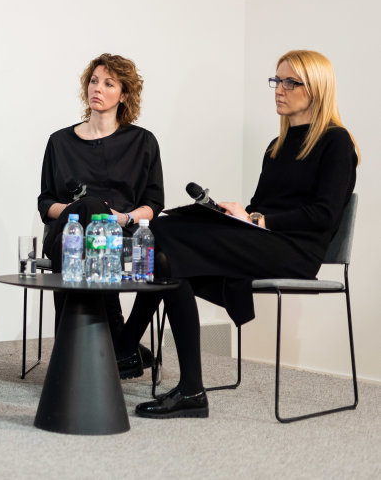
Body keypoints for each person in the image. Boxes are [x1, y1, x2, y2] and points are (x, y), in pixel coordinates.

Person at [119, 50, 359, 418]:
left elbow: (323, 215)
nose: (279, 89)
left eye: (290, 82)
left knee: (167, 237)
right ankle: (187, 388)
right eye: (276, 80)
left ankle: (126, 346)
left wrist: (258, 220)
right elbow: (261, 205)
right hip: (265, 241)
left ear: (317, 88)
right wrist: (239, 214)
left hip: (297, 252)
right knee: (165, 245)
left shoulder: (336, 142)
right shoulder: (276, 146)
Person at [37, 53, 164, 376]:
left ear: (124, 95)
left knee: (166, 259)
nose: (98, 88)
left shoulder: (143, 142)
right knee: (91, 207)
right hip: (67, 236)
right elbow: (45, 203)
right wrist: (82, 211)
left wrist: (120, 218)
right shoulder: (60, 141)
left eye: (109, 83)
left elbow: (154, 202)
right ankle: (120, 340)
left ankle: (108, 346)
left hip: (123, 235)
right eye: (94, 81)